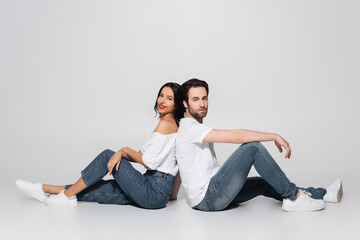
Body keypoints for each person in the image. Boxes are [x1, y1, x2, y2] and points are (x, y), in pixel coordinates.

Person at [175, 78, 343, 212]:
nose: (202, 104)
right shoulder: (189, 128)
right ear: (185, 103)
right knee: (252, 148)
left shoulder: (194, 127)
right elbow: (236, 137)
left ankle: (323, 194)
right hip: (209, 198)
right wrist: (274, 136)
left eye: (204, 98)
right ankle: (294, 198)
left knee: (264, 183)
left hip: (212, 194)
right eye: (195, 99)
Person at [16, 82, 184, 208]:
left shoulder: (167, 124)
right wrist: (172, 195)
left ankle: (66, 195)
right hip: (155, 193)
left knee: (106, 156)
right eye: (161, 95)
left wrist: (122, 151)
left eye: (169, 98)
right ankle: (44, 189)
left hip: (151, 191)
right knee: (101, 189)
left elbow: (148, 161)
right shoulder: (170, 125)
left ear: (176, 104)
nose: (162, 100)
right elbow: (172, 162)